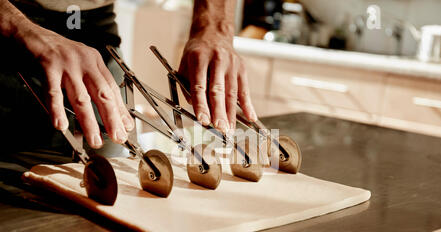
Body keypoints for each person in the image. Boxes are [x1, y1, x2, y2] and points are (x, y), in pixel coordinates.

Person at [0, 0, 257, 154]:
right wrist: (17, 26)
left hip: (95, 27)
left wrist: (214, 26)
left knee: (112, 179)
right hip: (10, 28)